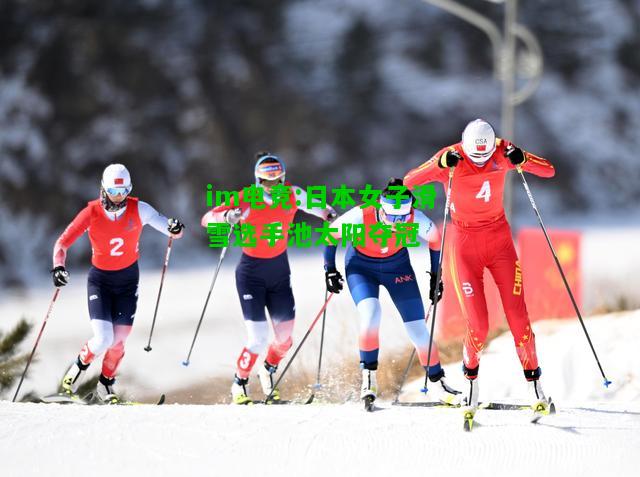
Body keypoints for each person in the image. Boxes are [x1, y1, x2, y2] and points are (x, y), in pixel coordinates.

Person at [404, 118, 555, 414]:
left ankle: (534, 384)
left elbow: (548, 170)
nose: (481, 162)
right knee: (479, 324)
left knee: (518, 318)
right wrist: (439, 165)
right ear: (465, 146)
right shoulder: (451, 156)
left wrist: (523, 158)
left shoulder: (502, 150)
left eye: (486, 157)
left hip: (500, 242)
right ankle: (471, 378)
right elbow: (409, 181)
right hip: (464, 247)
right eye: (476, 157)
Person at [202, 152, 336, 405]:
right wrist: (227, 217)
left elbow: (317, 206)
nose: (273, 187)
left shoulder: (292, 194)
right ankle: (239, 384)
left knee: (284, 340)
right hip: (250, 274)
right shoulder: (246, 197)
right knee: (257, 338)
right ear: (257, 181)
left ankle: (267, 370)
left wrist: (328, 213)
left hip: (279, 273)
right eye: (267, 182)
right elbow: (207, 219)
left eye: (277, 181)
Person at [52, 164, 184, 403]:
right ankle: (74, 374)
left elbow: (169, 228)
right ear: (104, 189)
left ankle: (105, 387)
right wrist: (59, 266)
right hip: (100, 282)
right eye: (114, 192)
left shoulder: (139, 209)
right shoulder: (91, 213)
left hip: (128, 282)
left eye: (124, 192)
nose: (119, 198)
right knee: (103, 338)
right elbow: (62, 243)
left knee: (119, 340)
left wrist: (174, 228)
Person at [323, 178, 461, 407]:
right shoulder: (361, 216)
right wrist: (330, 270)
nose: (397, 223)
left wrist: (437, 275)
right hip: (361, 268)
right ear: (381, 208)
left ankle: (438, 383)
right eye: (391, 217)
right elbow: (331, 235)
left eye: (402, 218)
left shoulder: (416, 219)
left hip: (397, 268)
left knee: (417, 328)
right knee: (370, 313)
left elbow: (436, 239)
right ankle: (368, 379)